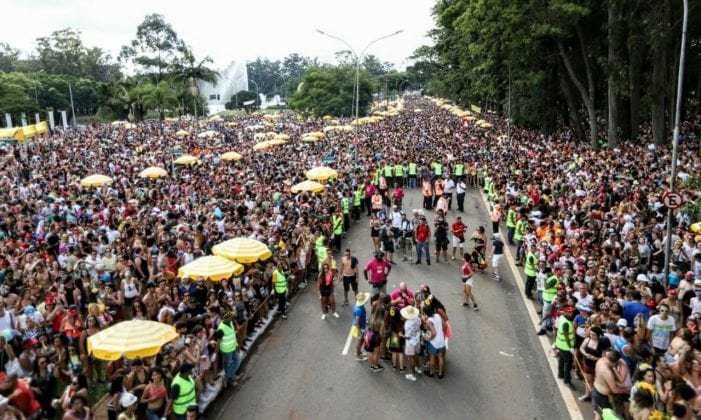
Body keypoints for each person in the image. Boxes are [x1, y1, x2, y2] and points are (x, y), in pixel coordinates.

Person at [217, 311, 241, 387]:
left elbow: (233, 334)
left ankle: (227, 377)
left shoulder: (230, 322)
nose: (231, 318)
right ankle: (231, 379)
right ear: (225, 318)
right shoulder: (221, 328)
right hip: (226, 350)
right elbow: (218, 340)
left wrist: (237, 344)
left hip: (233, 347)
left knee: (237, 361)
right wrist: (216, 352)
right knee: (227, 365)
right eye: (230, 317)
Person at [555, 305, 576, 389]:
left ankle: (560, 374)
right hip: (566, 346)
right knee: (568, 364)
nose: (571, 314)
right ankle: (567, 380)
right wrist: (570, 347)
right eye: (569, 312)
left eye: (571, 312)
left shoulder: (561, 318)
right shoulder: (566, 323)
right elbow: (566, 336)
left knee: (561, 359)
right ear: (565, 312)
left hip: (560, 343)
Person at [423, 303, 445, 378]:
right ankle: (440, 373)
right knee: (440, 357)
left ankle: (431, 372)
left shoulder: (429, 321)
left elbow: (434, 333)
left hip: (434, 343)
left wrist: (429, 339)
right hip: (441, 341)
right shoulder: (438, 315)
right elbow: (444, 325)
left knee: (432, 358)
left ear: (426, 313)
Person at [401, 305, 421, 381]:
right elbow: (419, 326)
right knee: (416, 354)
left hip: (410, 342)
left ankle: (413, 374)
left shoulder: (408, 324)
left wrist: (401, 335)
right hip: (417, 339)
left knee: (411, 357)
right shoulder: (417, 318)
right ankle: (418, 368)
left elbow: (408, 337)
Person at [353, 292, 370, 361]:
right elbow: (357, 321)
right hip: (360, 328)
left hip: (361, 326)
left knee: (361, 340)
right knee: (359, 341)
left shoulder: (358, 306)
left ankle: (359, 352)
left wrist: (365, 320)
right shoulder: (359, 310)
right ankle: (358, 355)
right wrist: (360, 330)